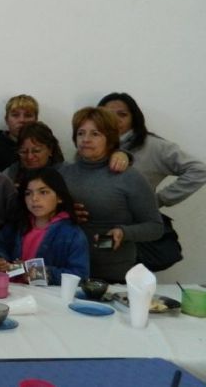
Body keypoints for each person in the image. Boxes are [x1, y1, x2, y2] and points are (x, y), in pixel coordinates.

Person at [58, 107, 163, 282]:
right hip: (67, 270)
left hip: (113, 273)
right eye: (80, 133)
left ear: (110, 138)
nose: (86, 139)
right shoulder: (63, 173)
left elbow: (155, 227)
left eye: (95, 134)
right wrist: (64, 213)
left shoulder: (129, 177)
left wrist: (124, 232)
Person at [98, 92, 206, 209]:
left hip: (136, 222)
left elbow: (199, 171)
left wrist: (159, 199)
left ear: (134, 118)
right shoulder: (91, 145)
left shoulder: (153, 146)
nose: (114, 120)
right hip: (95, 221)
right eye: (107, 115)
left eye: (122, 114)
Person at [0, 168, 89, 285]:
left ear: (60, 197)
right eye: (28, 193)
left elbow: (80, 275)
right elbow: (0, 245)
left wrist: (45, 273)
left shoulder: (72, 234)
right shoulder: (17, 224)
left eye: (43, 192)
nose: (34, 199)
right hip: (11, 291)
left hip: (46, 297)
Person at [2, 122, 66, 189]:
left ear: (50, 150)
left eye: (36, 151)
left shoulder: (65, 174)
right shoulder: (10, 174)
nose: (29, 157)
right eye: (23, 152)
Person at [0, 94, 39, 171]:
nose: (22, 120)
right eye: (15, 115)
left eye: (28, 115)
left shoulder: (45, 147)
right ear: (6, 119)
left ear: (36, 120)